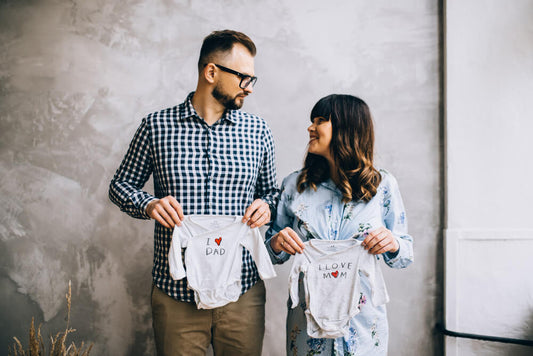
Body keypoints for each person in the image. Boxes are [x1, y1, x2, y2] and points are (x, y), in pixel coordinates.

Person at [109, 30, 279, 356]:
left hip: (242, 293)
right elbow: (120, 186)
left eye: (252, 79)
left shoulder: (259, 132)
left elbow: (271, 192)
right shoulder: (155, 126)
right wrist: (149, 204)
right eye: (244, 77)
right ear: (211, 71)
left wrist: (267, 207)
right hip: (176, 296)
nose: (249, 87)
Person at [265, 94, 414, 355]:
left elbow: (405, 255)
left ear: (347, 128)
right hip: (307, 328)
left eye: (320, 121)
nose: (310, 127)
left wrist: (393, 243)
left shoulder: (383, 187)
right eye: (312, 121)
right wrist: (277, 243)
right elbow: (269, 253)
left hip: (364, 328)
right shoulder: (293, 186)